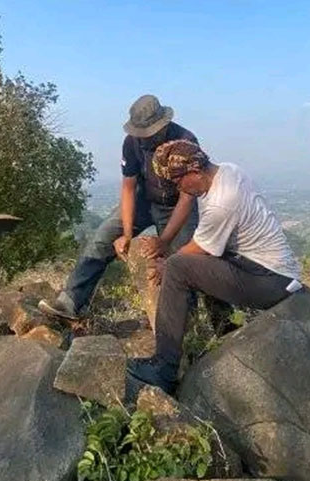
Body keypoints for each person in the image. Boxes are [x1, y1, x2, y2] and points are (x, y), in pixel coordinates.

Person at [126, 139, 303, 394]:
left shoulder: (222, 201)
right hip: (267, 270)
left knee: (178, 267)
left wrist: (164, 265)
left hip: (269, 279)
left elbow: (201, 248)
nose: (178, 189)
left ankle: (164, 368)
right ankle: (226, 330)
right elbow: (203, 238)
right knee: (196, 265)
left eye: (177, 182)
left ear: (195, 171)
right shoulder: (227, 171)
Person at [39, 95, 199, 319]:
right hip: (144, 201)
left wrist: (163, 241)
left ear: (162, 127)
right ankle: (70, 302)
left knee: (187, 260)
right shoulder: (132, 142)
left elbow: (187, 198)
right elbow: (128, 188)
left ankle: (195, 325)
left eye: (147, 134)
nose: (143, 139)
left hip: (177, 205)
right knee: (102, 239)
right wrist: (126, 233)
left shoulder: (184, 141)